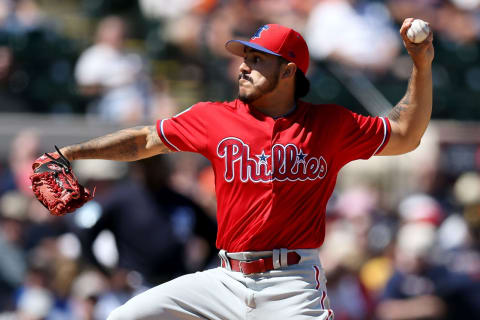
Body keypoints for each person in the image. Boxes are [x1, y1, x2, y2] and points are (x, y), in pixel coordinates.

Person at [42, 19, 434, 319]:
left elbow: (405, 134)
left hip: (292, 283)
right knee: (124, 316)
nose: (244, 67)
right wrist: (73, 153)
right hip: (224, 278)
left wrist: (420, 64)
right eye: (245, 58)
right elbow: (145, 140)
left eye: (257, 59)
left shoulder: (329, 125)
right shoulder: (215, 118)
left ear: (289, 71)